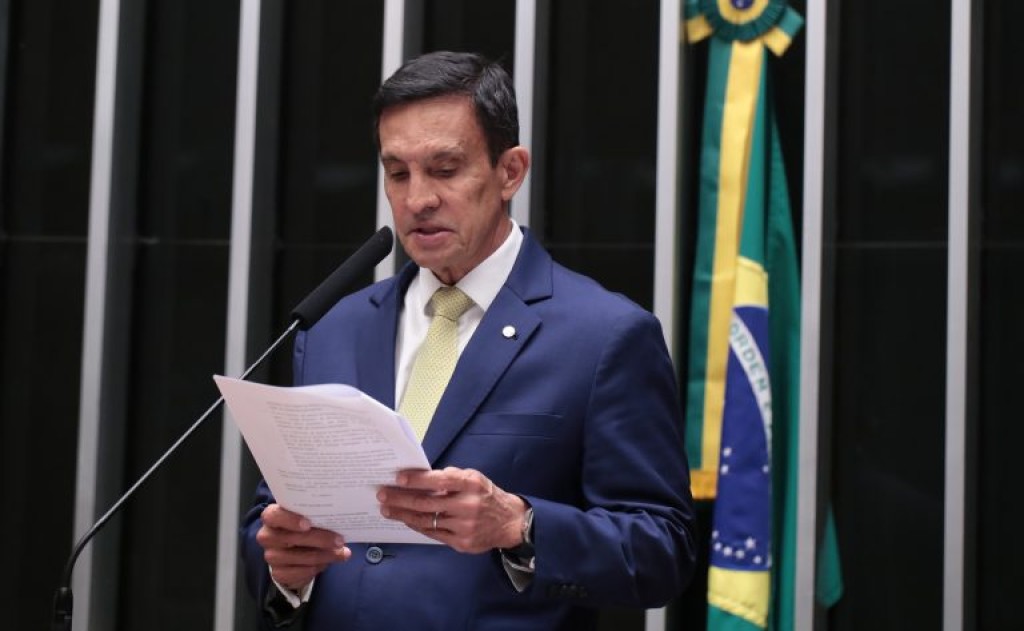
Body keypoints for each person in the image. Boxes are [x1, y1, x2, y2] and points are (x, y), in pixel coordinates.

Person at [240, 50, 697, 630]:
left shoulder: (604, 336)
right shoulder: (334, 328)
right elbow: (272, 518)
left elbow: (660, 549)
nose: (417, 199)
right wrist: (281, 563)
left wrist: (519, 525)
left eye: (445, 169)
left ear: (511, 172)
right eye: (398, 173)